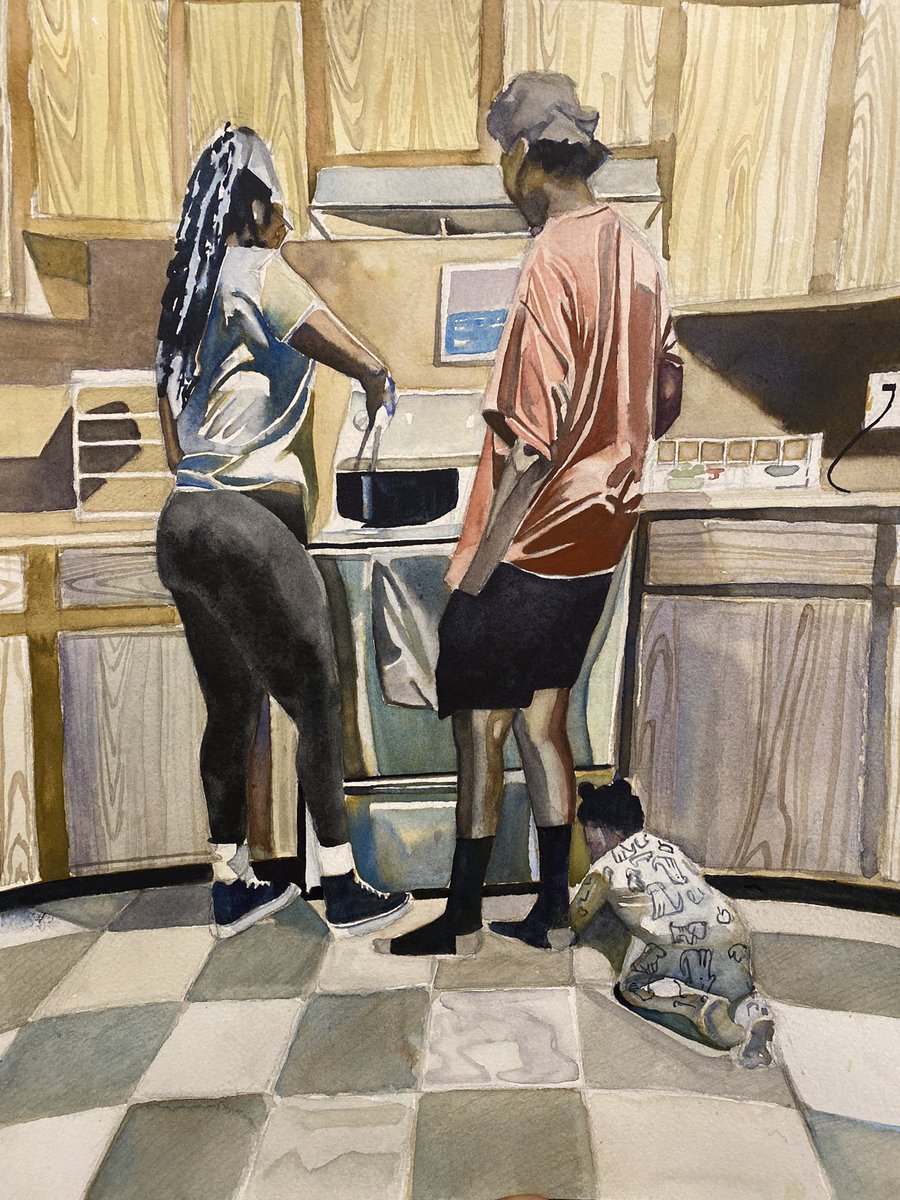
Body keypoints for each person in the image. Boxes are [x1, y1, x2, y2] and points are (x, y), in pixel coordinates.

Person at [383, 73, 681, 957]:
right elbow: (666, 391)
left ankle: (462, 915)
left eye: (502, 159)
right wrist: (613, 445)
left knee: (481, 727)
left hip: (532, 540)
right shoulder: (637, 252)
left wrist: (477, 568)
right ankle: (551, 911)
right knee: (547, 722)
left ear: (522, 156)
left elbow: (529, 445)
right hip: (599, 537)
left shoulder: (552, 256)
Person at [155, 124, 411, 939]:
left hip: (183, 523)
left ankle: (230, 880)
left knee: (231, 706)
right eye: (276, 205)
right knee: (318, 699)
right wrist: (378, 377)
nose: (287, 220)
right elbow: (343, 349)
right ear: (251, 204)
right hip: (246, 522)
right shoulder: (256, 272)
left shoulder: (184, 295)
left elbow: (176, 448)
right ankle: (341, 886)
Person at [571, 778, 775, 1068]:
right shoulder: (666, 847)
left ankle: (697, 1006)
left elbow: (577, 915)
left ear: (603, 830)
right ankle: (754, 1014)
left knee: (631, 986)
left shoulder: (605, 867)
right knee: (738, 991)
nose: (590, 848)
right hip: (730, 931)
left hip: (675, 945)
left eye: (590, 841)